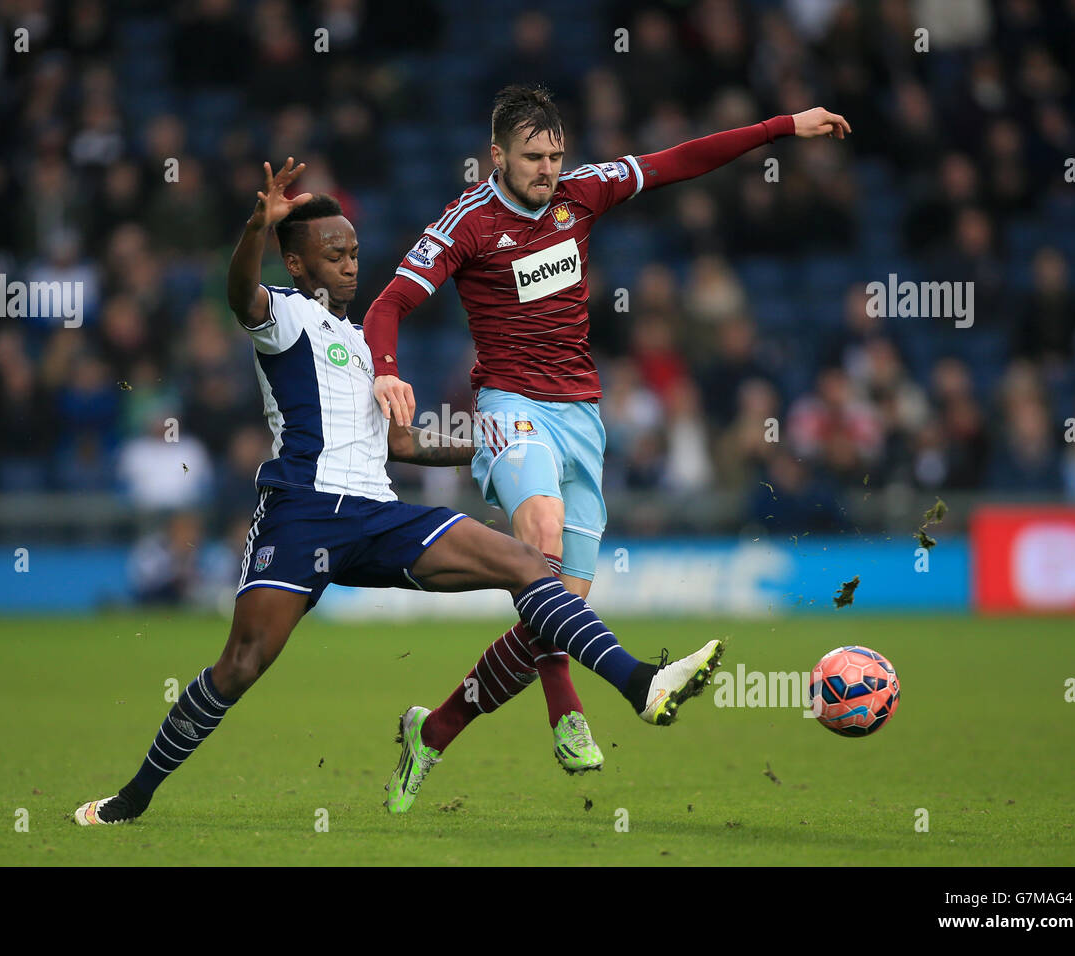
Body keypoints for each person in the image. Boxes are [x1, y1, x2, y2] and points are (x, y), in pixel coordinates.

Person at [74, 159, 724, 825]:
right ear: (296, 265)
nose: (350, 265)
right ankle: (133, 798)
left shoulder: (363, 346)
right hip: (302, 514)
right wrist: (253, 230)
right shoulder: (287, 317)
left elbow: (403, 445)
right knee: (240, 666)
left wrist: (486, 440)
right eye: (333, 255)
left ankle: (640, 681)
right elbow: (241, 295)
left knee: (527, 566)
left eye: (354, 252)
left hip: (378, 516)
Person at [363, 85, 849, 796]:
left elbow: (680, 160)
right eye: (532, 157)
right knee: (544, 547)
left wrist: (783, 127)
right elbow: (390, 302)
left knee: (556, 617)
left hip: (581, 417)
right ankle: (593, 702)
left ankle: (432, 730)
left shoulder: (584, 193)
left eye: (556, 155)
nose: (548, 170)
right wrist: (385, 374)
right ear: (495, 155)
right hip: (508, 407)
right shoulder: (467, 222)